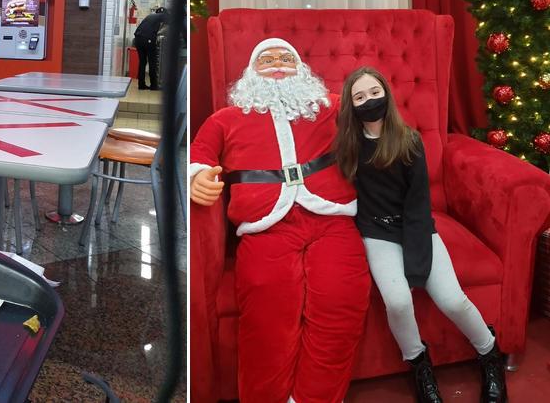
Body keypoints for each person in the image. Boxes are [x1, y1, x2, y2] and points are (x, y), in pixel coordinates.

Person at [190, 39, 370, 403]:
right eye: (267, 59)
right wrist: (197, 176)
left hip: (333, 220)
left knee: (341, 306)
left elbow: (376, 117)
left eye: (286, 57)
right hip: (265, 226)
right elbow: (201, 152)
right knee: (267, 321)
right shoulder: (226, 118)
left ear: (301, 68)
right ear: (249, 74)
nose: (277, 64)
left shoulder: (329, 106)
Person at [334, 67, 507, 403]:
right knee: (398, 301)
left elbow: (418, 206)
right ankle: (419, 363)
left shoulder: (409, 140)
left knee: (452, 299)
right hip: (376, 233)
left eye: (374, 92)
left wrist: (416, 264)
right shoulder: (348, 145)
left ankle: (490, 353)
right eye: (359, 97)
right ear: (350, 106)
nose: (368, 101)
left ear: (386, 93)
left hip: (415, 227)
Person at [133, 7, 167, 90]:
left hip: (137, 39)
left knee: (142, 62)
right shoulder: (163, 16)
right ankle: (154, 86)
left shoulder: (150, 16)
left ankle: (141, 85)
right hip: (147, 39)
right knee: (152, 63)